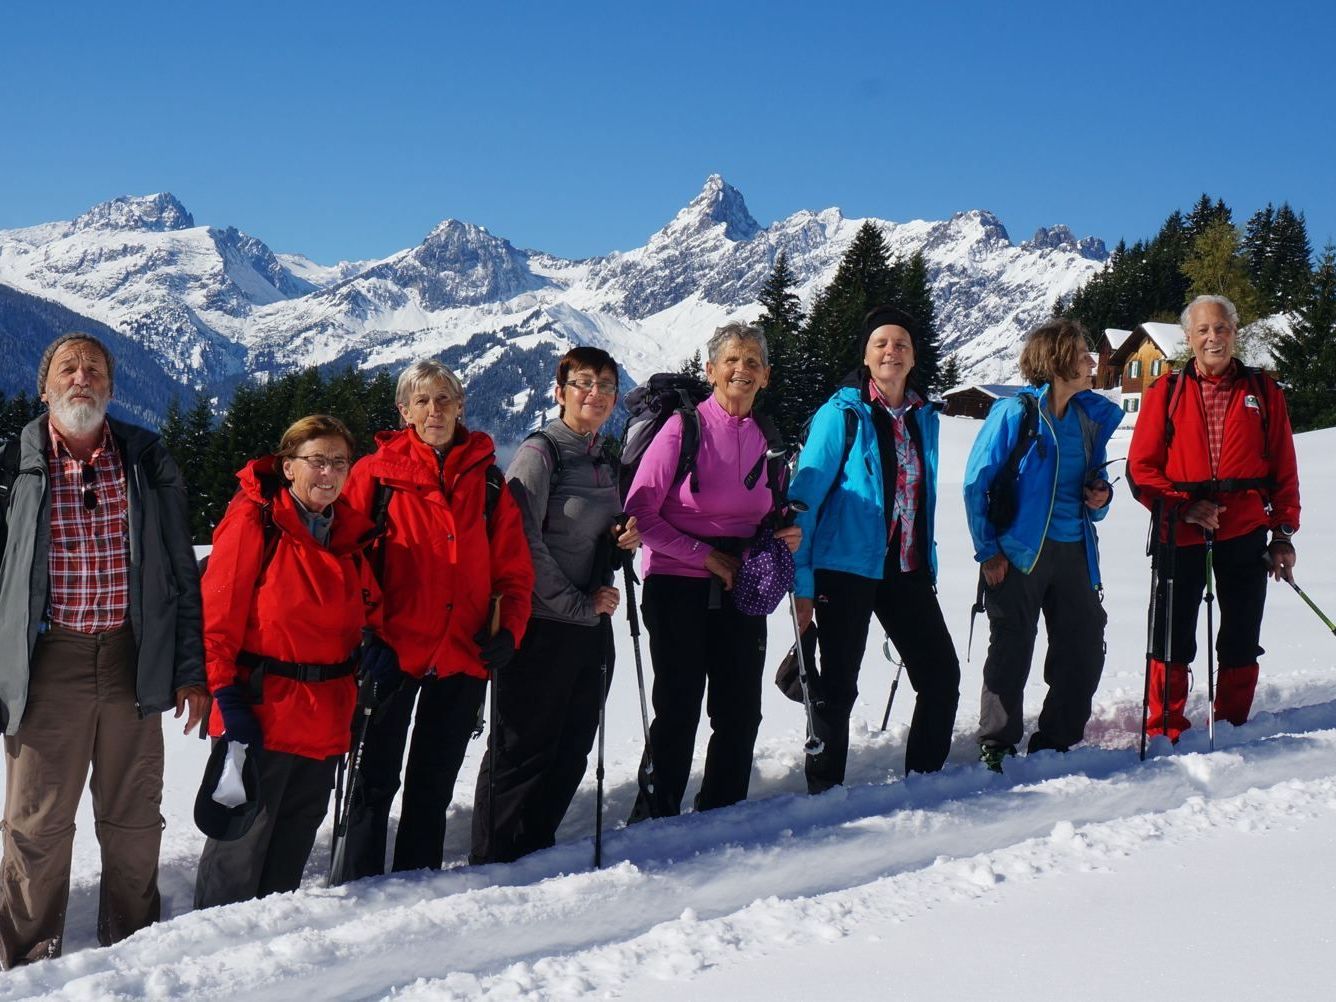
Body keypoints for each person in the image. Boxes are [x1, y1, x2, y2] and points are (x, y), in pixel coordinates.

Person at [0, 333, 207, 967]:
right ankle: (28, 960)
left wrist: (190, 670)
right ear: (45, 388)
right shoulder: (15, 462)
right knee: (36, 825)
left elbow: (180, 571)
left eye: (94, 369)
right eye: (67, 368)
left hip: (131, 657)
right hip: (46, 661)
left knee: (134, 819)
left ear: (112, 388)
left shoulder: (145, 459)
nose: (81, 378)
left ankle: (132, 950)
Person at [340, 360, 533, 876]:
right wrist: (365, 630)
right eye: (422, 401)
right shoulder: (375, 475)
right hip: (391, 652)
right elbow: (347, 560)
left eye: (444, 399)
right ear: (404, 411)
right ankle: (356, 887)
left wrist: (510, 630)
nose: (434, 410)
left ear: (460, 407)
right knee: (373, 781)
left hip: (463, 653)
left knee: (432, 784)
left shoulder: (488, 481)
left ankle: (414, 887)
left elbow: (513, 571)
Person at [194, 415, 388, 906]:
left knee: (289, 854)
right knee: (239, 853)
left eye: (340, 462)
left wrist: (376, 642)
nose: (329, 473)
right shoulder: (255, 522)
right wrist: (225, 697)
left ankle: (271, 951)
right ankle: (215, 948)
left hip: (326, 720)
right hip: (263, 714)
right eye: (317, 460)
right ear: (287, 466)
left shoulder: (345, 533)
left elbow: (367, 607)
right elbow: (217, 619)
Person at [470, 347, 640, 864]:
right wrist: (578, 605)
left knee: (572, 746)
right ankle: (493, 860)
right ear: (560, 392)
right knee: (523, 749)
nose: (596, 394)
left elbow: (591, 531)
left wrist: (620, 539)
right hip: (541, 625)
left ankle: (533, 849)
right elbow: (522, 545)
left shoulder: (602, 456)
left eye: (606, 385)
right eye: (584, 383)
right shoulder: (540, 453)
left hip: (589, 624)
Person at [625, 322, 800, 821]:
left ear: (766, 375)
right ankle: (653, 818)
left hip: (741, 584)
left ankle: (723, 814)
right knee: (678, 708)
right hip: (677, 584)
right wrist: (705, 556)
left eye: (752, 362)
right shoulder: (683, 429)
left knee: (740, 710)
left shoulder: (768, 436)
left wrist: (783, 535)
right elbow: (640, 515)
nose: (741, 370)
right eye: (731, 360)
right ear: (710, 371)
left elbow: (773, 510)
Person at [790, 305, 960, 790]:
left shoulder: (924, 416)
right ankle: (825, 792)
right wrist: (802, 584)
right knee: (837, 686)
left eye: (901, 343)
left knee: (940, 676)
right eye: (881, 343)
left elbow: (919, 498)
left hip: (905, 568)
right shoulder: (841, 415)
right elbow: (803, 502)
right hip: (844, 568)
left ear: (914, 356)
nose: (892, 351)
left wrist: (927, 562)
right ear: (865, 356)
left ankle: (924, 784)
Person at [1127, 294, 1300, 740]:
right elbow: (1141, 469)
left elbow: (1284, 469)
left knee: (1241, 633)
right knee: (1170, 634)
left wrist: (1283, 534)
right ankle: (1166, 727)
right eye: (1203, 330)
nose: (1213, 338)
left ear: (1234, 332)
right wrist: (1183, 506)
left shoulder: (1264, 391)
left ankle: (1232, 724)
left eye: (1221, 328)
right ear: (1188, 337)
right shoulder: (1165, 392)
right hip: (1180, 531)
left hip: (1244, 529)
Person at [963, 319, 1122, 771]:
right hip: (1018, 552)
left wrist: (1101, 497)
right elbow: (976, 484)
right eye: (1083, 354)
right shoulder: (1016, 413)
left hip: (1075, 551)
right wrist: (988, 551)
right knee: (1011, 648)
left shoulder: (1088, 418)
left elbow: (1095, 488)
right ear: (1056, 361)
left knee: (1083, 644)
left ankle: (1056, 740)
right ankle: (997, 742)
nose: (1092, 362)